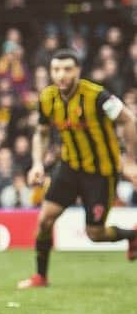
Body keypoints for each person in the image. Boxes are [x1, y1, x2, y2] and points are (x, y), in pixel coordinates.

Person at [19, 49, 137, 289]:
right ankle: (41, 276)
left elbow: (128, 119)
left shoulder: (97, 96)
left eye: (67, 69)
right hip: (69, 168)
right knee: (44, 221)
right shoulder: (47, 98)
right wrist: (38, 163)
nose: (61, 75)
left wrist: (131, 161)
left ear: (77, 71)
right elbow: (41, 132)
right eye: (56, 70)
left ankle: (133, 235)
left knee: (95, 234)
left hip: (101, 173)